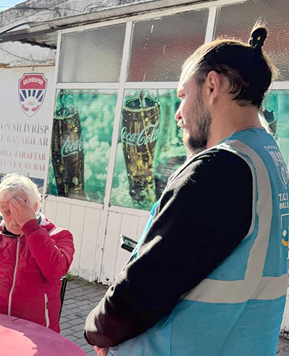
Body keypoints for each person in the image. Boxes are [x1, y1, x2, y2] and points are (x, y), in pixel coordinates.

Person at [84, 26, 288, 356]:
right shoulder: (269, 158)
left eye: (183, 95)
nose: (178, 113)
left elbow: (144, 288)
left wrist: (98, 330)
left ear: (211, 86)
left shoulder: (220, 169)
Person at [0, 173, 75, 333]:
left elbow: (55, 270)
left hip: (38, 333)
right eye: (7, 212)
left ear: (35, 206)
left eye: (20, 209)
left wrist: (31, 226)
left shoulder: (59, 236)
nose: (14, 219)